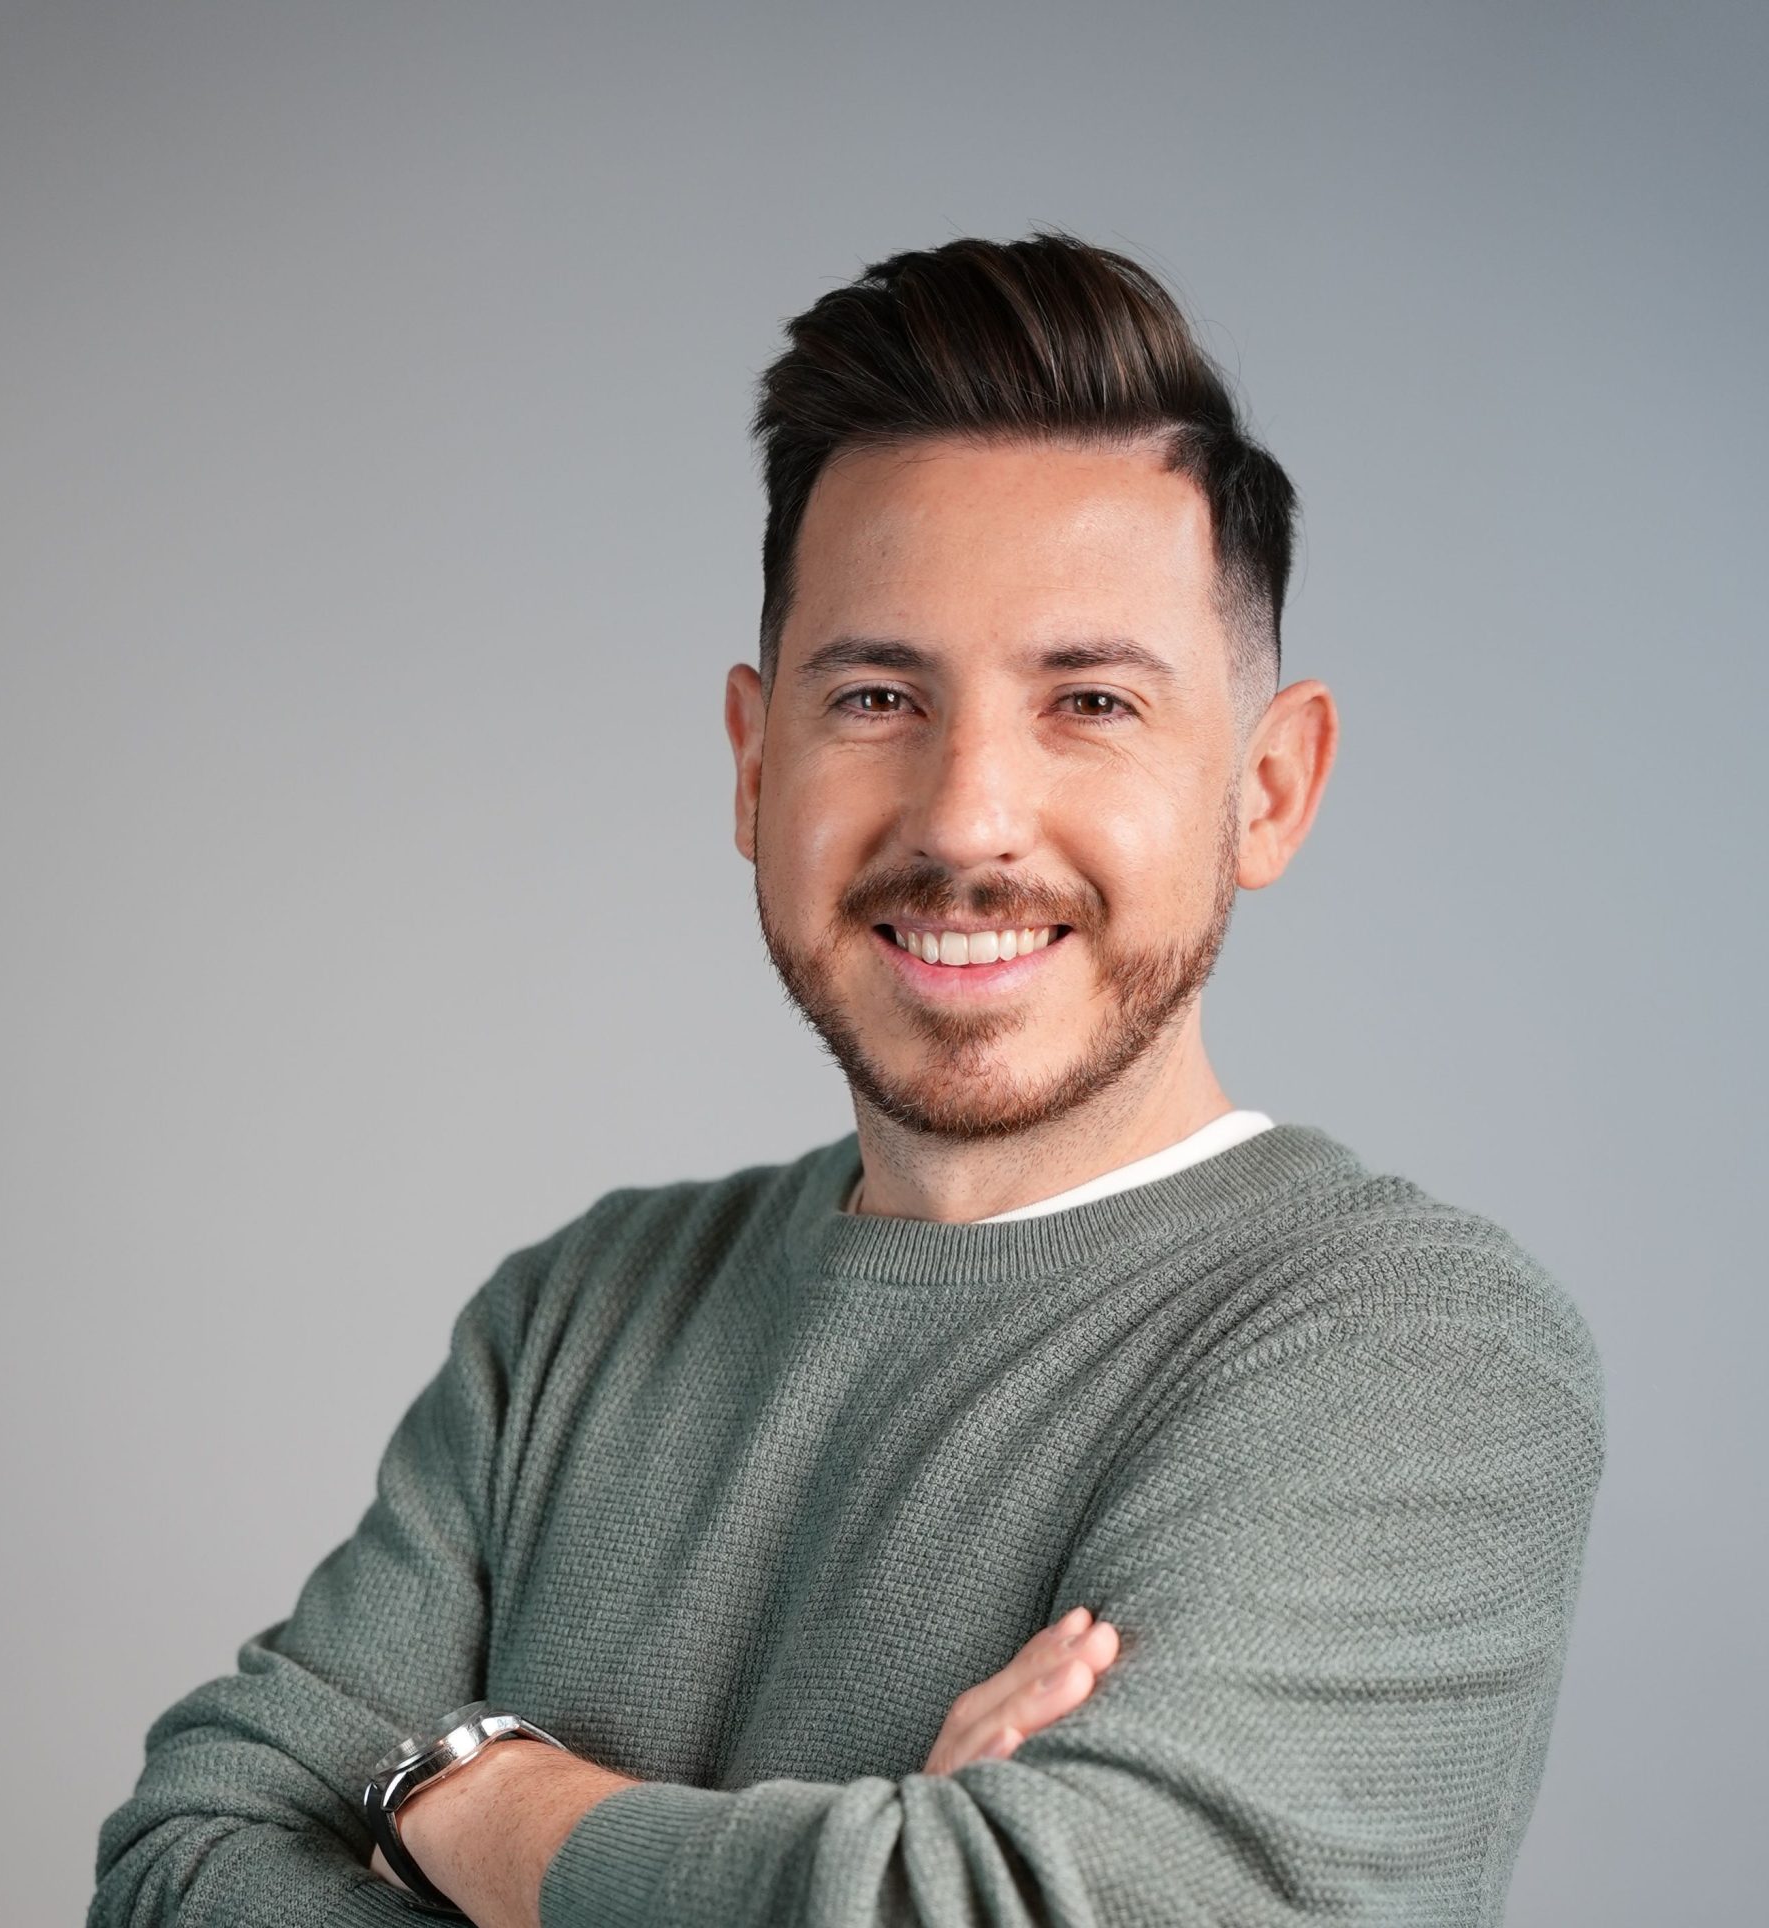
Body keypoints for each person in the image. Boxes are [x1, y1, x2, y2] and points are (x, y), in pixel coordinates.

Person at [89, 230, 1604, 1928]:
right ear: (756, 765)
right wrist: (861, 1871)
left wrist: (473, 1793)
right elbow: (179, 1863)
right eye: (879, 696)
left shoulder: (1418, 1354)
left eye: (1091, 702)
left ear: (1270, 787)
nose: (966, 819)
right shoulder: (575, 1319)